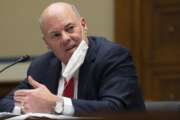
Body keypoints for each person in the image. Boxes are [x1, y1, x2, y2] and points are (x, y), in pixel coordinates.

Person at [0, 2, 145, 116]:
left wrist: (57, 104)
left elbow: (116, 109)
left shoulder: (113, 56)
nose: (65, 38)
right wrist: (29, 108)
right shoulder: (41, 67)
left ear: (83, 25)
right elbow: (5, 103)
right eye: (56, 35)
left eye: (70, 28)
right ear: (47, 43)